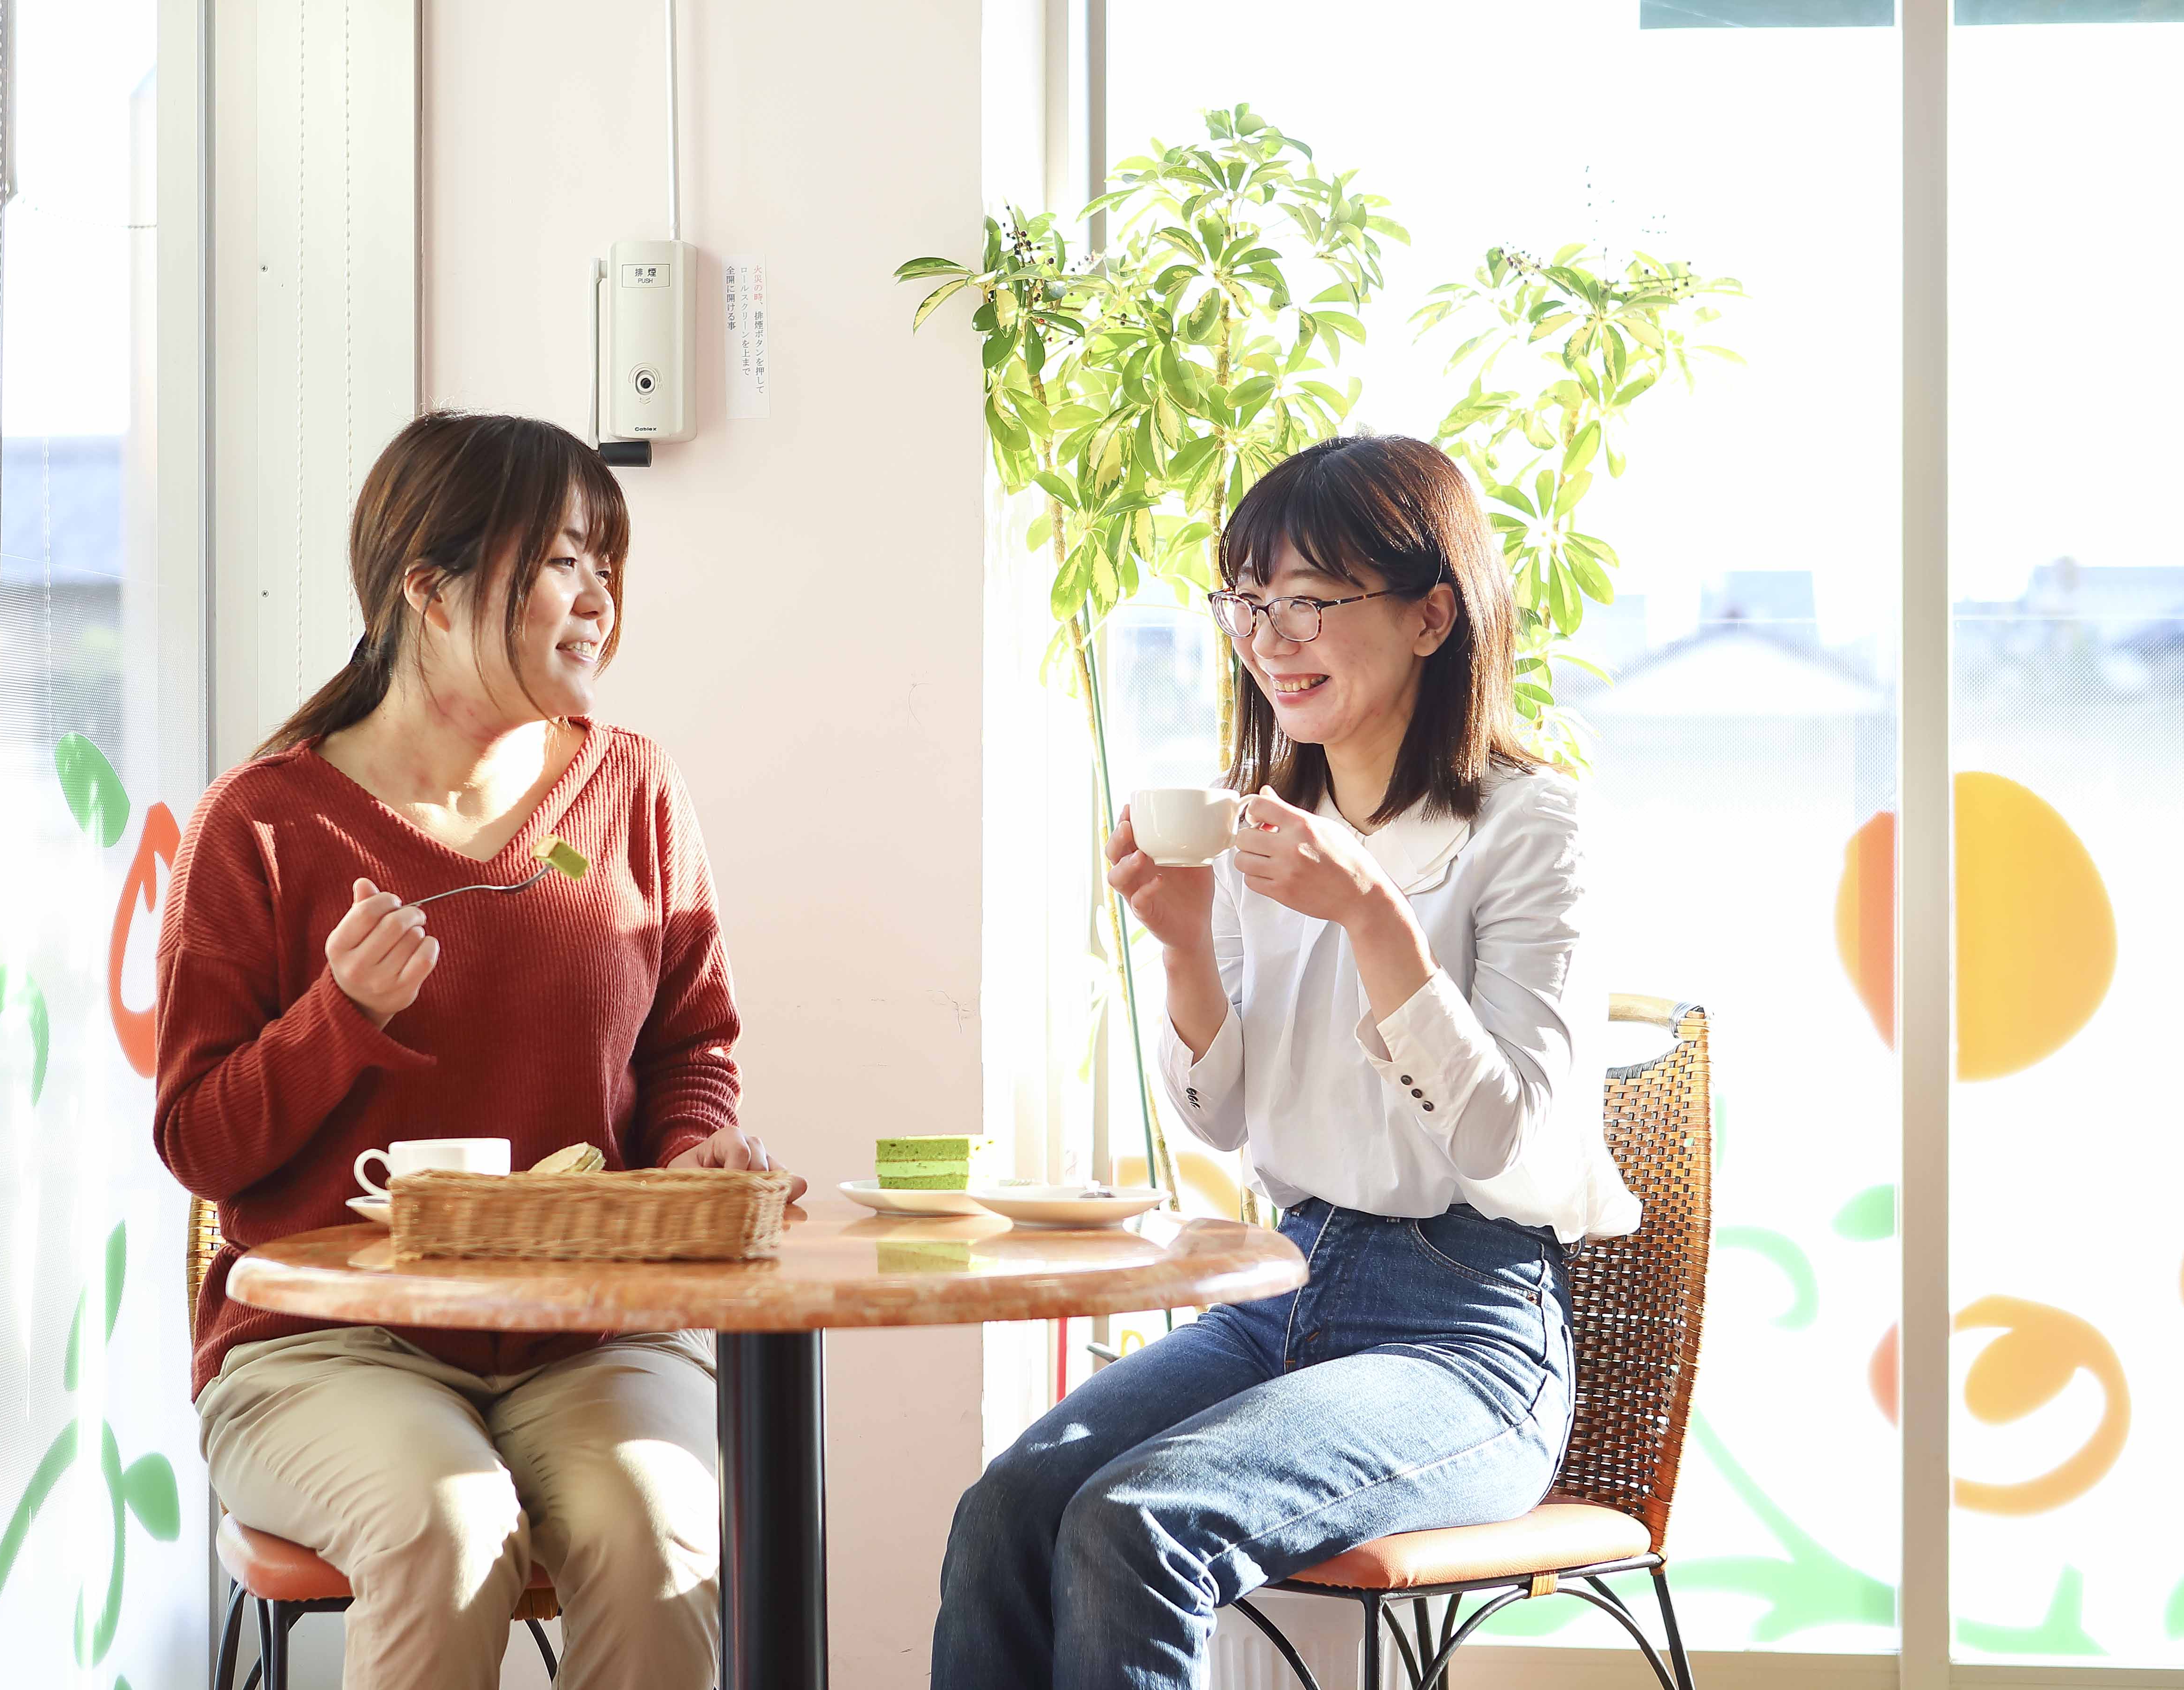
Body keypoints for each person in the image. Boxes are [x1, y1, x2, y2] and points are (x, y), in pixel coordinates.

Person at [933, 435, 1641, 1689]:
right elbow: (1221, 1122)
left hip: (1465, 1335)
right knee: (1008, 1507)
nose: (1271, 637)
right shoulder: (1260, 825)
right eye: (1250, 601)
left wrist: (1373, 918)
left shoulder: (1533, 829)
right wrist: (1186, 949)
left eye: (1312, 599)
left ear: (1433, 616)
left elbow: (1508, 1141)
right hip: (1281, 1291)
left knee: (1134, 1523)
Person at [156, 411, 800, 1690]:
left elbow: (689, 1050)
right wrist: (339, 1018)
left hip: (595, 1334)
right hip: (324, 1344)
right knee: (447, 1528)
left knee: (659, 1538)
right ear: (428, 586)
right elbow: (200, 1144)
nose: (598, 594)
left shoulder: (634, 787)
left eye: (605, 561)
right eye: (563, 558)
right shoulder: (264, 824)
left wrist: (691, 1154)